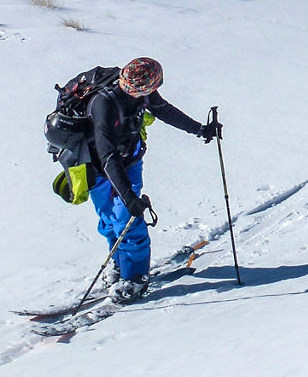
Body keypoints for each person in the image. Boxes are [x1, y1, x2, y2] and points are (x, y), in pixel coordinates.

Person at [86, 57, 220, 303]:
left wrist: (200, 129)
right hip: (99, 166)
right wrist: (129, 197)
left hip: (128, 160)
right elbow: (107, 155)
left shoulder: (141, 94)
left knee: (126, 219)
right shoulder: (103, 104)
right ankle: (119, 264)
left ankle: (135, 275)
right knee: (111, 216)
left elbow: (165, 111)